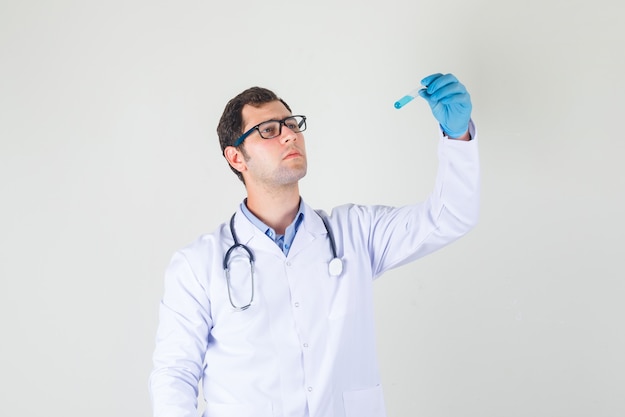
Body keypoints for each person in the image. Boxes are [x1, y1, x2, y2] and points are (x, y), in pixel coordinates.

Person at [149, 73, 480, 417]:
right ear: (236, 158)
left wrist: (458, 137)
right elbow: (175, 373)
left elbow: (449, 217)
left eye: (291, 124)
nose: (290, 134)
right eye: (269, 130)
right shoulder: (197, 264)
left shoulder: (355, 234)